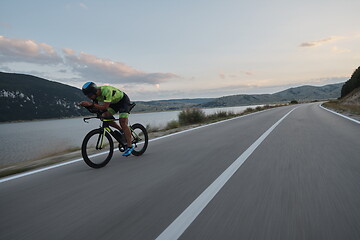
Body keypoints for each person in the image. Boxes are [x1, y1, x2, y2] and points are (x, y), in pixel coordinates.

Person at [79, 82, 134, 156]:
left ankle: (130, 146)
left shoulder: (106, 91)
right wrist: (87, 106)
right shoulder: (95, 96)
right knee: (104, 116)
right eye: (87, 96)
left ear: (95, 91)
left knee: (123, 122)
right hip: (113, 103)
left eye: (89, 95)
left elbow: (104, 107)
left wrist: (91, 104)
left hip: (123, 101)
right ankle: (121, 131)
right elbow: (96, 108)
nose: (89, 97)